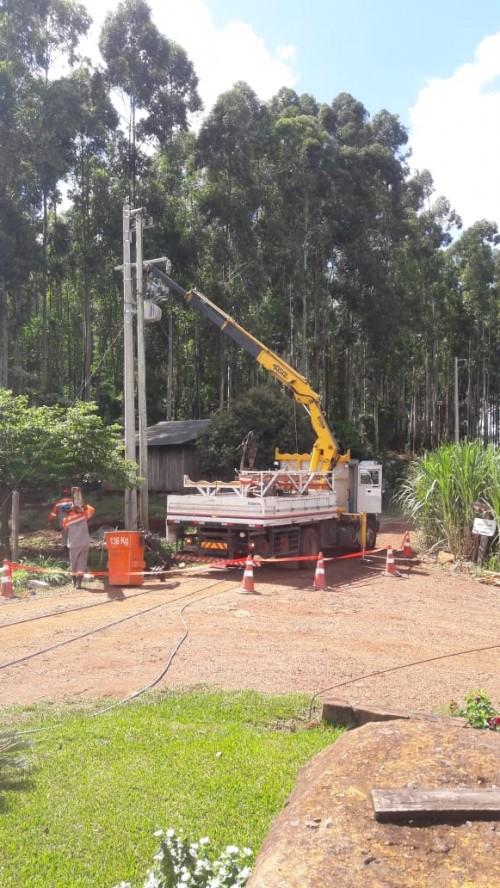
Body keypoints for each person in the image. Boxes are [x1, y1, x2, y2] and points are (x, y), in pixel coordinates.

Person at [62, 501, 95, 589]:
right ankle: (79, 583)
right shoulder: (83, 514)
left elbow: (66, 529)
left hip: (74, 544)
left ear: (65, 512)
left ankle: (74, 582)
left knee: (74, 563)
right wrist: (84, 506)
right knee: (82, 562)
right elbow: (92, 510)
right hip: (85, 542)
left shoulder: (65, 520)